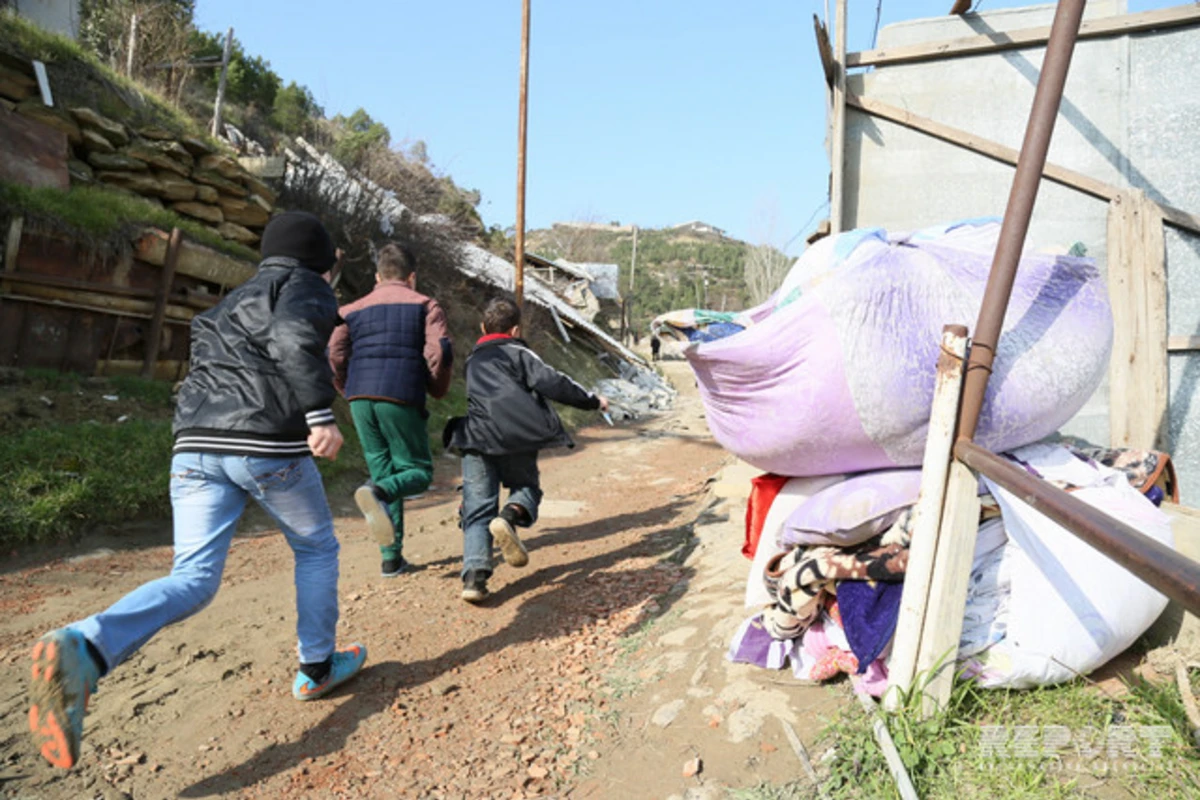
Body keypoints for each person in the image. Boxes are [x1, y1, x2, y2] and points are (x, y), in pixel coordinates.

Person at [27, 211, 365, 771]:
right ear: (321, 260)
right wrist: (319, 414)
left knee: (193, 579)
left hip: (193, 445)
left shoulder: (232, 301)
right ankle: (317, 667)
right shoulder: (302, 284)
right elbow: (291, 337)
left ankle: (84, 645)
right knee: (316, 548)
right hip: (263, 444)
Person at [444, 295, 608, 603]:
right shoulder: (519, 353)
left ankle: (474, 579)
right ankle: (509, 516)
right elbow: (554, 382)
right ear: (516, 330)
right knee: (527, 487)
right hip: (517, 436)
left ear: (482, 328)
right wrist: (592, 400)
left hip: (476, 437)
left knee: (477, 505)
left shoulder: (473, 359)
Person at [328, 243, 453, 577]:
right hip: (400, 395)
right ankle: (375, 491)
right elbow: (439, 350)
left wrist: (346, 388)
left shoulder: (351, 309)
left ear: (376, 276)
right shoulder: (425, 304)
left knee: (387, 473)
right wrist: (436, 387)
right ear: (411, 277)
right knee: (417, 472)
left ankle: (391, 558)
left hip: (359, 398)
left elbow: (335, 352)